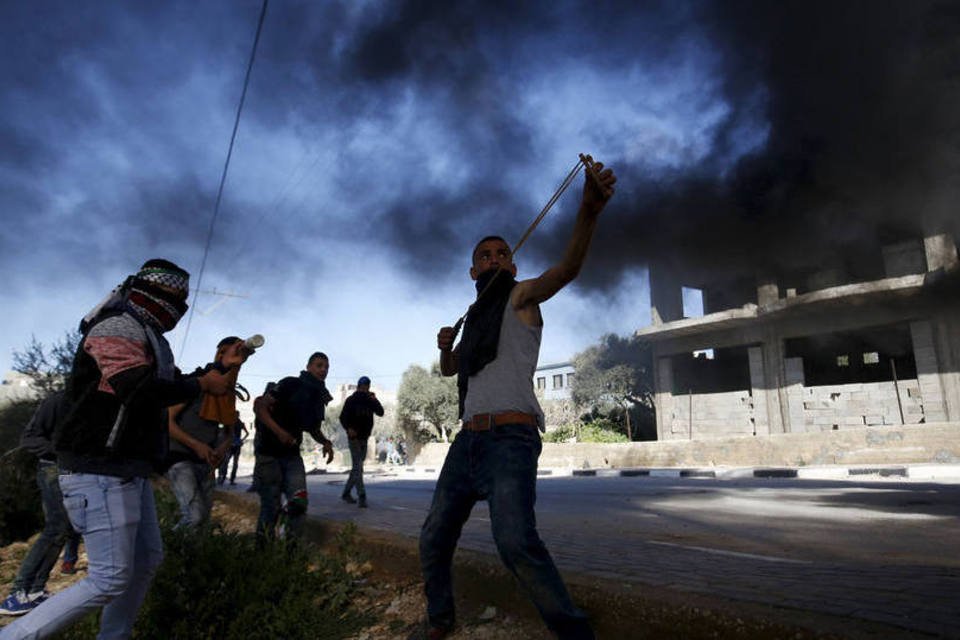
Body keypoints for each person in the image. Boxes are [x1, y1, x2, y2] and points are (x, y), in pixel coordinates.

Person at [412, 157, 616, 640]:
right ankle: (440, 620)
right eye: (485, 255)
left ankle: (575, 634)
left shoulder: (521, 297)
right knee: (433, 536)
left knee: (515, 543)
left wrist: (588, 211)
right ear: (472, 270)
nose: (494, 258)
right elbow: (452, 370)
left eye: (502, 253)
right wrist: (443, 348)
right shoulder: (474, 321)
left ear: (513, 264)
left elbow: (566, 270)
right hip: (467, 441)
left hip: (510, 439)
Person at [0, 259, 236, 640]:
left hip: (126, 470)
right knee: (108, 578)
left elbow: (171, 384)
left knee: (145, 561)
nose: (181, 306)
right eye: (176, 295)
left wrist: (217, 369)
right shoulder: (118, 327)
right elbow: (138, 389)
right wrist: (200, 385)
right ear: (151, 291)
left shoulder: (149, 336)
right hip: (100, 470)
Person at [0, 392, 82, 616]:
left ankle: (35, 590)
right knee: (56, 528)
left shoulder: (89, 402)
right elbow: (30, 438)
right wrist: (62, 452)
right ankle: (18, 593)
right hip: (53, 470)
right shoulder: (58, 400)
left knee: (64, 530)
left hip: (74, 471)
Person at [166, 337, 251, 528]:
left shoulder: (227, 394)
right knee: (193, 517)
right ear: (221, 353)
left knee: (202, 521)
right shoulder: (197, 383)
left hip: (207, 463)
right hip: (180, 459)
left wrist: (222, 448)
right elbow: (167, 422)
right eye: (235, 352)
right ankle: (168, 545)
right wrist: (196, 445)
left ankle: (186, 549)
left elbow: (228, 432)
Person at [252, 352, 335, 544]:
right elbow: (260, 408)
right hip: (269, 455)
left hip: (292, 456)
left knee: (299, 502)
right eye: (319, 365)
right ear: (308, 367)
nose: (323, 370)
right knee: (270, 507)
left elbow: (312, 428)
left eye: (326, 367)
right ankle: (261, 552)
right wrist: (280, 432)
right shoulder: (290, 384)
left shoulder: (318, 395)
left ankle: (291, 551)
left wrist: (326, 442)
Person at [338, 375, 384, 508]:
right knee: (358, 467)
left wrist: (375, 399)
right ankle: (362, 495)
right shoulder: (351, 400)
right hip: (354, 438)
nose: (364, 389)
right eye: (363, 387)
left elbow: (380, 412)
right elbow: (343, 417)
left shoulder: (370, 400)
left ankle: (346, 493)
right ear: (358, 387)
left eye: (366, 387)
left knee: (357, 468)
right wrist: (349, 429)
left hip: (364, 438)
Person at [218, 412, 248, 486]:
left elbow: (247, 433)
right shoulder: (236, 423)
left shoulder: (234, 423)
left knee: (229, 462)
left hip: (233, 445)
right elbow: (247, 433)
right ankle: (226, 478)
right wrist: (241, 440)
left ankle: (225, 478)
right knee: (228, 462)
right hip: (233, 445)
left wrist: (240, 440)